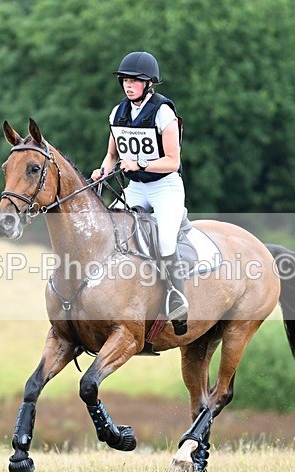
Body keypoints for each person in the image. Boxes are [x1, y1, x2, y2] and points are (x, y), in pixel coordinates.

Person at [90, 51, 188, 335]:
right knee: (112, 234)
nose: (128, 85)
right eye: (125, 80)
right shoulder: (117, 112)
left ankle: (177, 301)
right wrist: (102, 170)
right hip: (135, 188)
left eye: (134, 80)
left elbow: (173, 161)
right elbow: (112, 155)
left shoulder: (163, 112)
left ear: (149, 83)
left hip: (165, 188)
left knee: (165, 241)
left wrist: (141, 164)